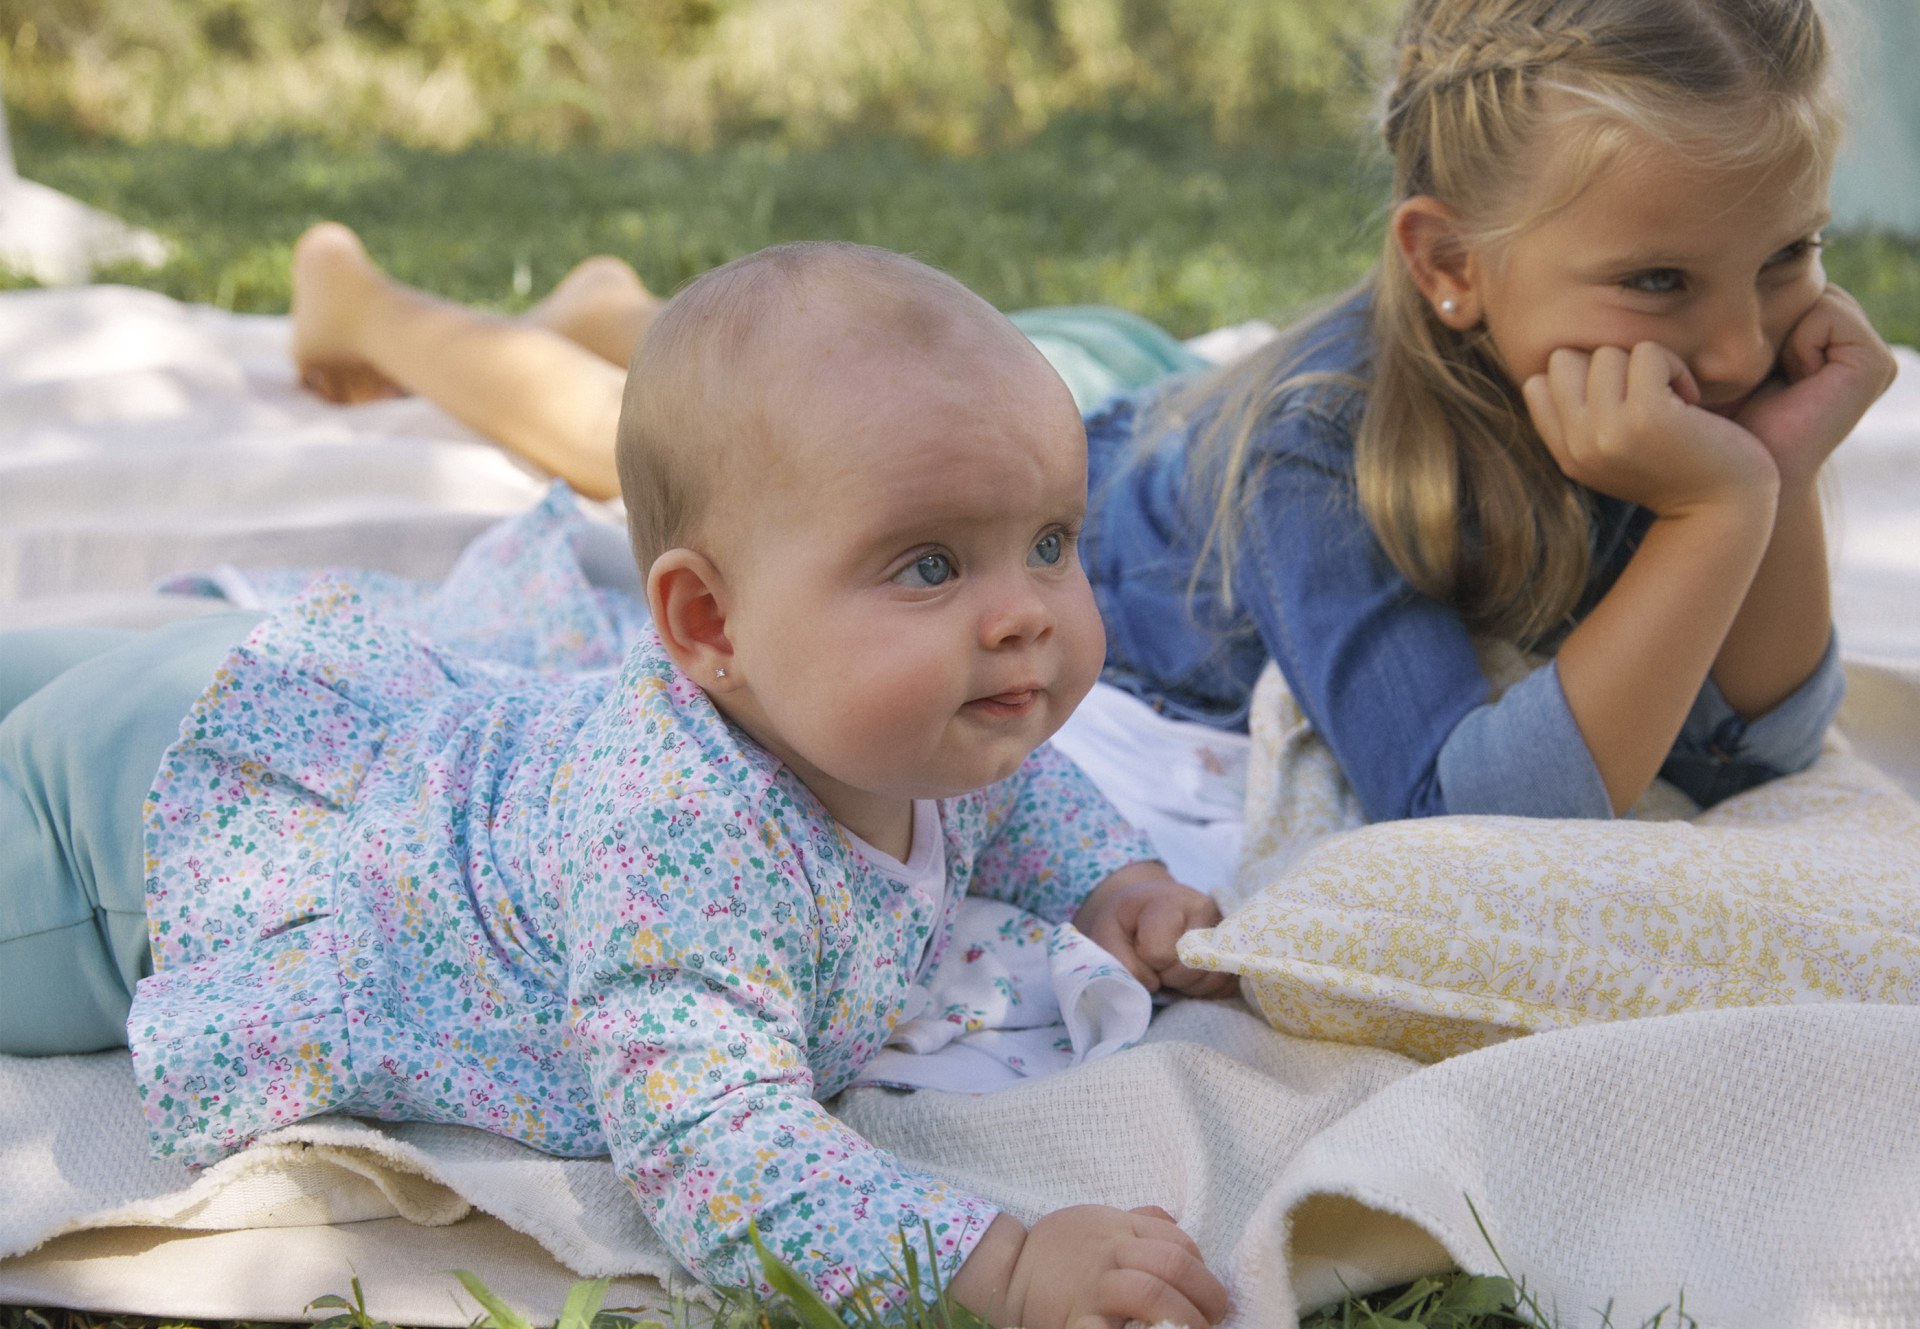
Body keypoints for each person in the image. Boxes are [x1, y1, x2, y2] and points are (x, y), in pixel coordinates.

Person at [0, 242, 1234, 1329]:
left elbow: (1019, 789)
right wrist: (1003, 1266)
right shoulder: (683, 848)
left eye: (1051, 543)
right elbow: (719, 1153)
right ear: (709, 621)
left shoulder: (927, 724)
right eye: (928, 565)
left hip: (263, 702)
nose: (1023, 616)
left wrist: (1108, 882)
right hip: (158, 841)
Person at [289, 0, 1901, 830]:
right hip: (1076, 446)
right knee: (672, 430)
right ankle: (365, 302)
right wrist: (1720, 512)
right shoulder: (1324, 457)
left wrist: (1768, 476)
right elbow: (1464, 812)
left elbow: (1754, 742)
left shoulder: (1670, 388)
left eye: (1788, 257)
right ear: (1452, 268)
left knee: (736, 349)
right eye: (1661, 282)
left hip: (1140, 393)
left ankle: (615, 298)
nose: (1751, 339)